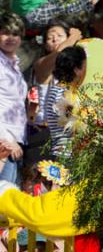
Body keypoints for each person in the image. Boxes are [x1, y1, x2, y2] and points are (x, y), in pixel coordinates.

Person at [32, 20, 82, 126]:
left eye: (59, 35)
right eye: (50, 38)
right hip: (46, 128)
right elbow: (59, 52)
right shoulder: (41, 64)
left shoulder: (79, 66)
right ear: (45, 46)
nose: (55, 39)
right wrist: (74, 36)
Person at [0, 13, 28, 184]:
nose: (11, 38)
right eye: (5, 32)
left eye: (15, 34)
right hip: (4, 143)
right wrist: (7, 140)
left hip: (18, 140)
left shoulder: (15, 66)